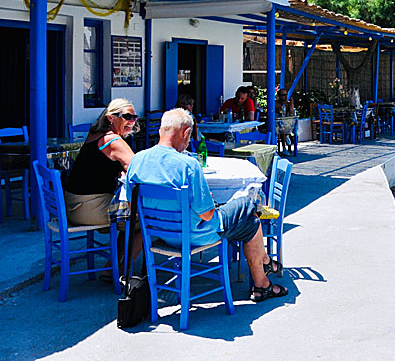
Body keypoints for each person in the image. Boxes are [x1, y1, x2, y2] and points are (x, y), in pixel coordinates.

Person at [126, 108, 288, 302]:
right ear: (186, 133)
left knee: (251, 222)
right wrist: (208, 200)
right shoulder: (188, 165)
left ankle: (264, 277)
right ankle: (263, 273)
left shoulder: (137, 160)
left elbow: (131, 204)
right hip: (196, 235)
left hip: (159, 234)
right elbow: (208, 215)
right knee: (248, 205)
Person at [65, 98, 138, 226]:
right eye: (127, 116)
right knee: (145, 218)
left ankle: (119, 246)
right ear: (111, 118)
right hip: (90, 208)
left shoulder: (94, 135)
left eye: (134, 117)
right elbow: (139, 169)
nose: (132, 121)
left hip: (73, 205)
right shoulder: (113, 141)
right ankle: (125, 246)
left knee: (132, 213)